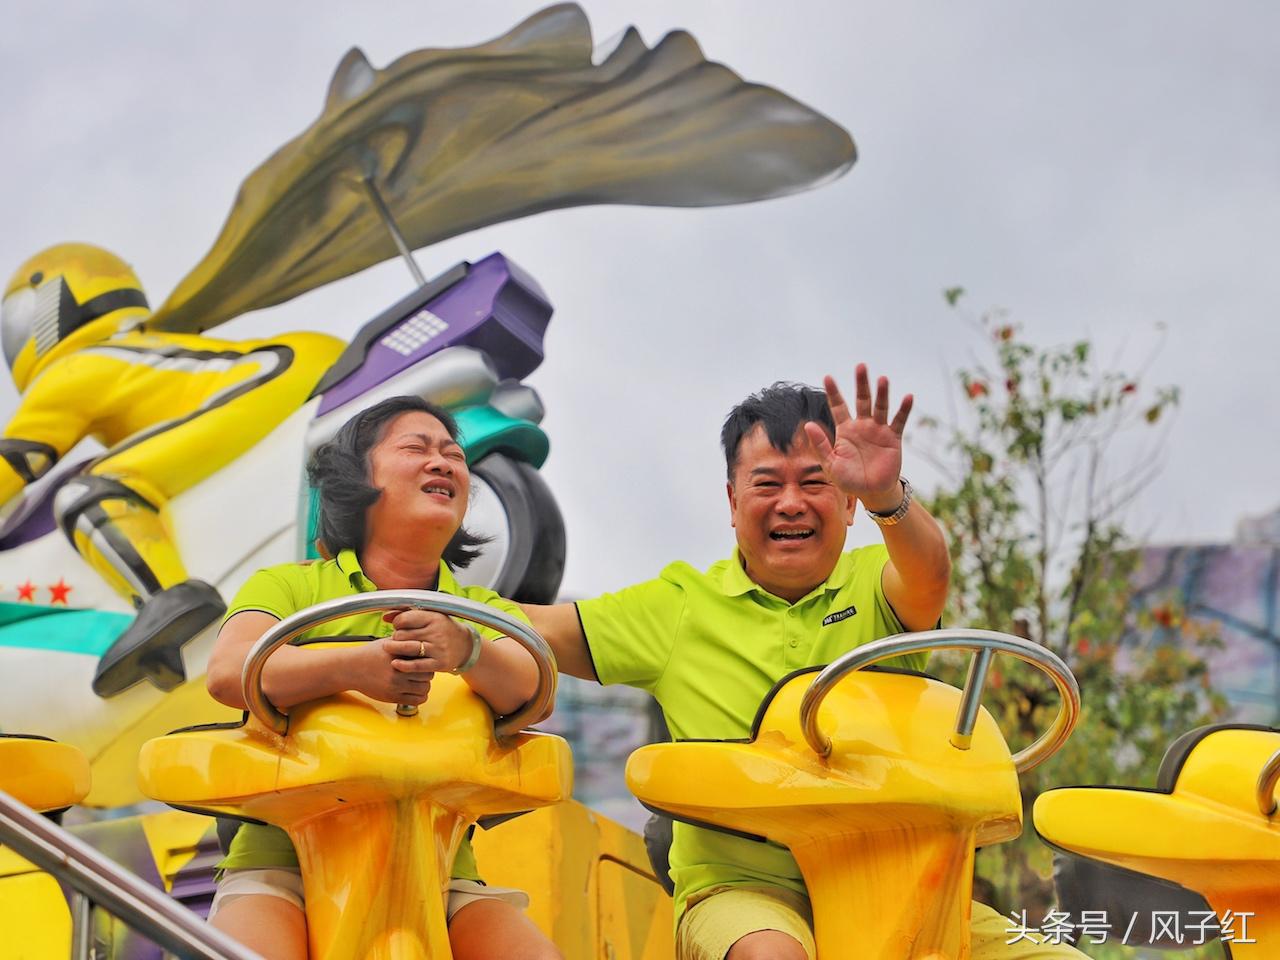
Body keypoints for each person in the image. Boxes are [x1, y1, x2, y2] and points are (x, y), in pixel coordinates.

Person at [525, 366, 1086, 960]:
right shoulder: (680, 607)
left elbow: (929, 577)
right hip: (747, 895)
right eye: (767, 484)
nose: (790, 503)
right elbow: (531, 630)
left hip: (903, 886)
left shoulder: (875, 583)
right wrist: (431, 596)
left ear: (848, 503)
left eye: (814, 482)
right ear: (732, 500)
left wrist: (888, 499)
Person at [203, 395, 561, 960]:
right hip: (283, 868)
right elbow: (229, 672)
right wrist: (357, 665)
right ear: (357, 480)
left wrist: (465, 648)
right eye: (416, 448)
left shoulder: (484, 611)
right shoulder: (291, 587)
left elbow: (532, 693)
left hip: (442, 881)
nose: (442, 462)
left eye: (453, 454)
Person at [0, 242, 344, 697]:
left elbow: (18, 459)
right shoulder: (130, 345)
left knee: (87, 491)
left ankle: (167, 598)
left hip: (267, 382)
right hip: (298, 361)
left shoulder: (72, 367)